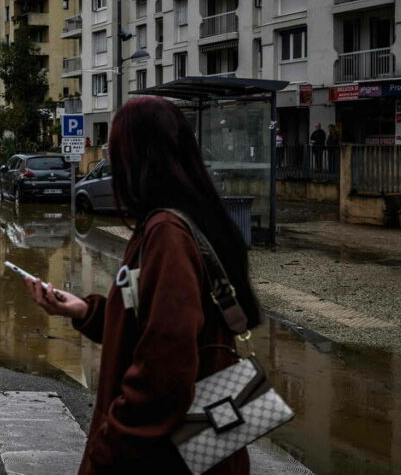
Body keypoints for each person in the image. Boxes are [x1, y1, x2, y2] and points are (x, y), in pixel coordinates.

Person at [23, 96, 261, 474]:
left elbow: (164, 366)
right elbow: (151, 322)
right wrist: (86, 311)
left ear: (136, 157)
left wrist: (108, 446)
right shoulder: (191, 217)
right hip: (203, 447)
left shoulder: (167, 232)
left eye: (116, 153)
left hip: (170, 455)